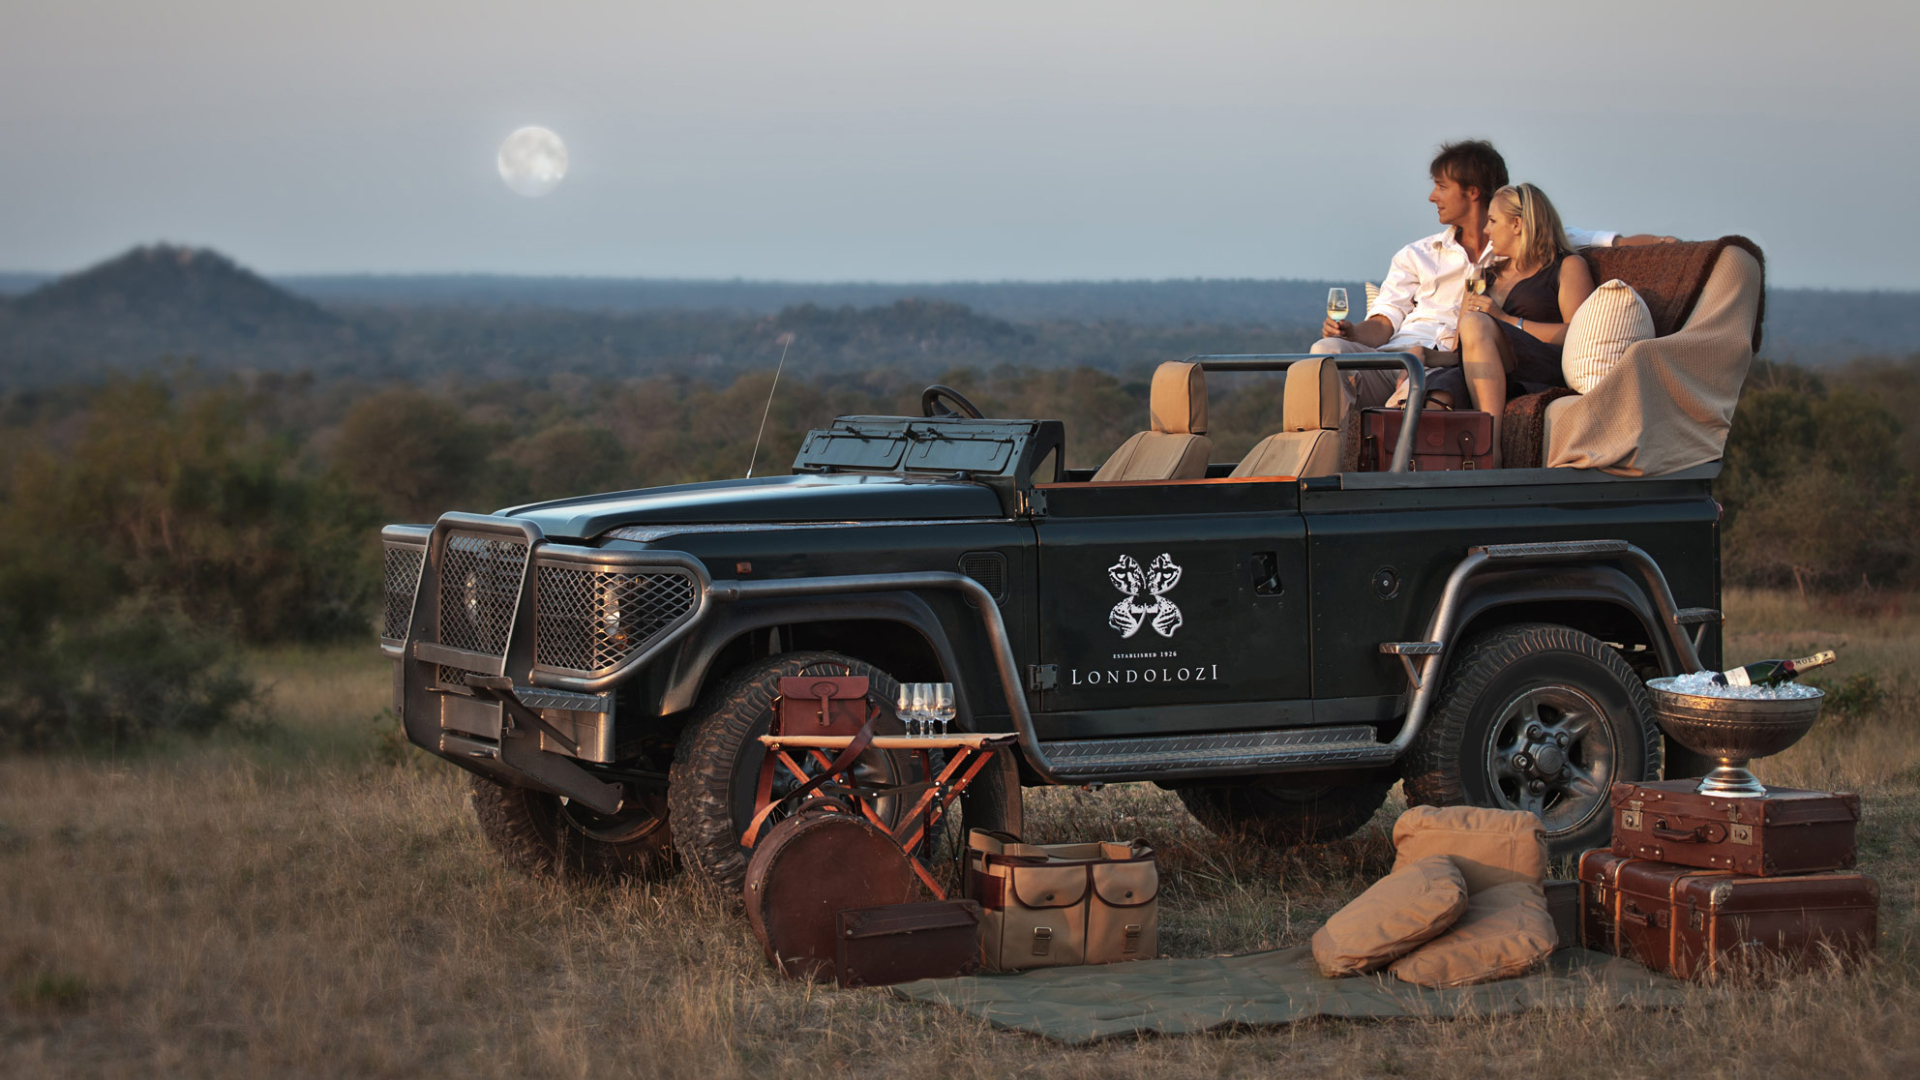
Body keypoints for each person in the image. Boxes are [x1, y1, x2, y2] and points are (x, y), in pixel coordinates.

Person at [1314, 140, 1673, 409]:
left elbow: (1612, 242)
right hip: (1406, 355)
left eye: (1441, 186)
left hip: (1455, 362)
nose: (1431, 196)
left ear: (1472, 192)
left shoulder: (1527, 244)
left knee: (1429, 383)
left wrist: (1664, 243)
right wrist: (1352, 331)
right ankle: (1337, 460)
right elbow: (1385, 321)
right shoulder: (1417, 255)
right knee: (1325, 352)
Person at [1421, 183, 1593, 467]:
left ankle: (1491, 449)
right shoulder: (1482, 276)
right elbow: (1459, 352)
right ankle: (1426, 472)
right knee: (1439, 391)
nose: (1486, 230)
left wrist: (1507, 320)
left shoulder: (1567, 267)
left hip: (1540, 363)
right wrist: (1427, 355)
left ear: (1517, 224)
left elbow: (1579, 333)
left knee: (1476, 322)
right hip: (1490, 371)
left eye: (1492, 221)